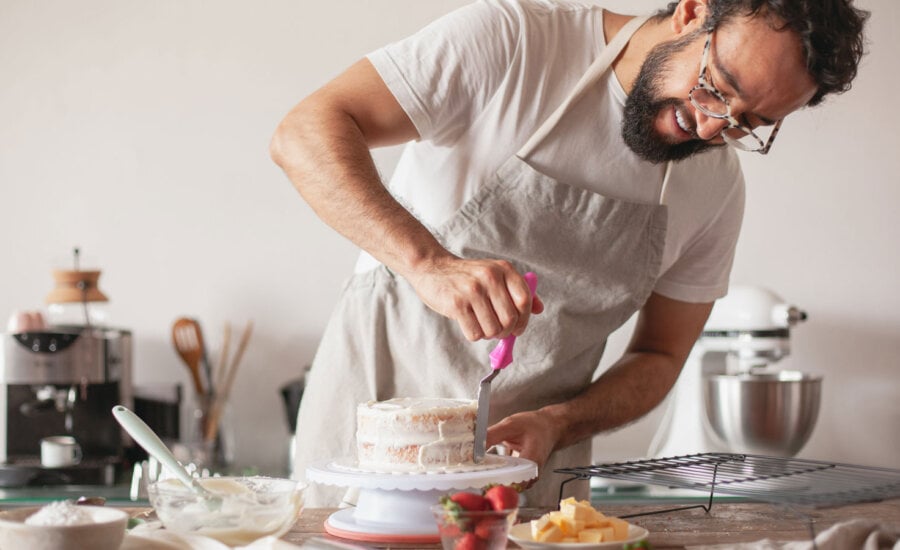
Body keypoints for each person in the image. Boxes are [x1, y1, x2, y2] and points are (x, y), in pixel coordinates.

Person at [270, 0, 868, 507]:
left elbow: (659, 355)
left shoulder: (715, 189)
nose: (713, 128)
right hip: (367, 440)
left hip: (529, 481)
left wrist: (558, 423)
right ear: (692, 12)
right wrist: (428, 264)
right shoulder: (518, 42)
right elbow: (306, 130)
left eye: (748, 123)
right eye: (718, 89)